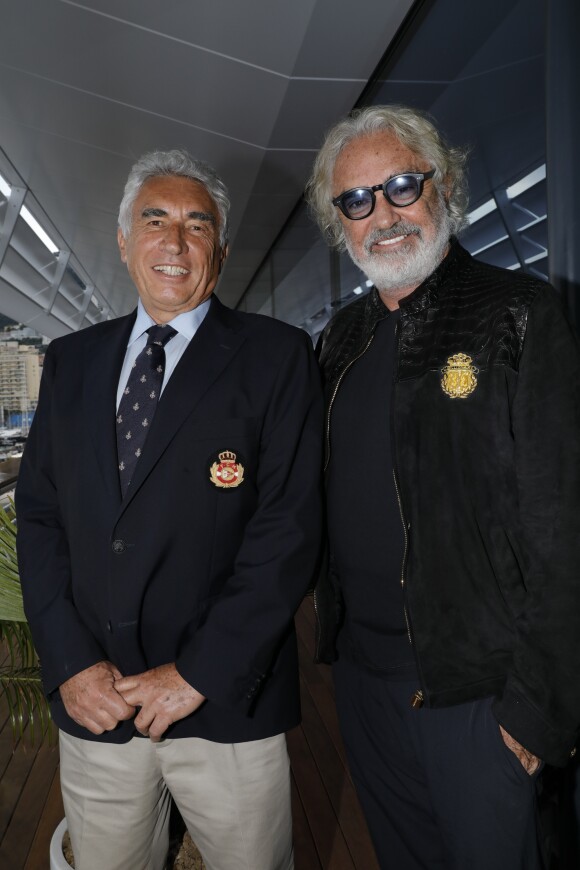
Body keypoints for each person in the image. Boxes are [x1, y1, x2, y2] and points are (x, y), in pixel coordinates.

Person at [15, 149, 323, 870]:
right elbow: (39, 516)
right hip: (100, 705)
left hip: (225, 705)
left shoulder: (276, 358)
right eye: (155, 220)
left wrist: (196, 673)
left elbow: (290, 531)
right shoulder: (70, 362)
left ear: (218, 247)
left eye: (197, 225)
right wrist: (69, 665)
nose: (176, 243)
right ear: (124, 241)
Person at [305, 104, 580, 869]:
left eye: (400, 186)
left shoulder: (518, 315)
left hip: (481, 700)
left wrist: (534, 714)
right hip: (366, 689)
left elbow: (567, 530)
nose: (382, 215)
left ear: (444, 185)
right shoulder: (342, 342)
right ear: (340, 223)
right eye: (356, 200)